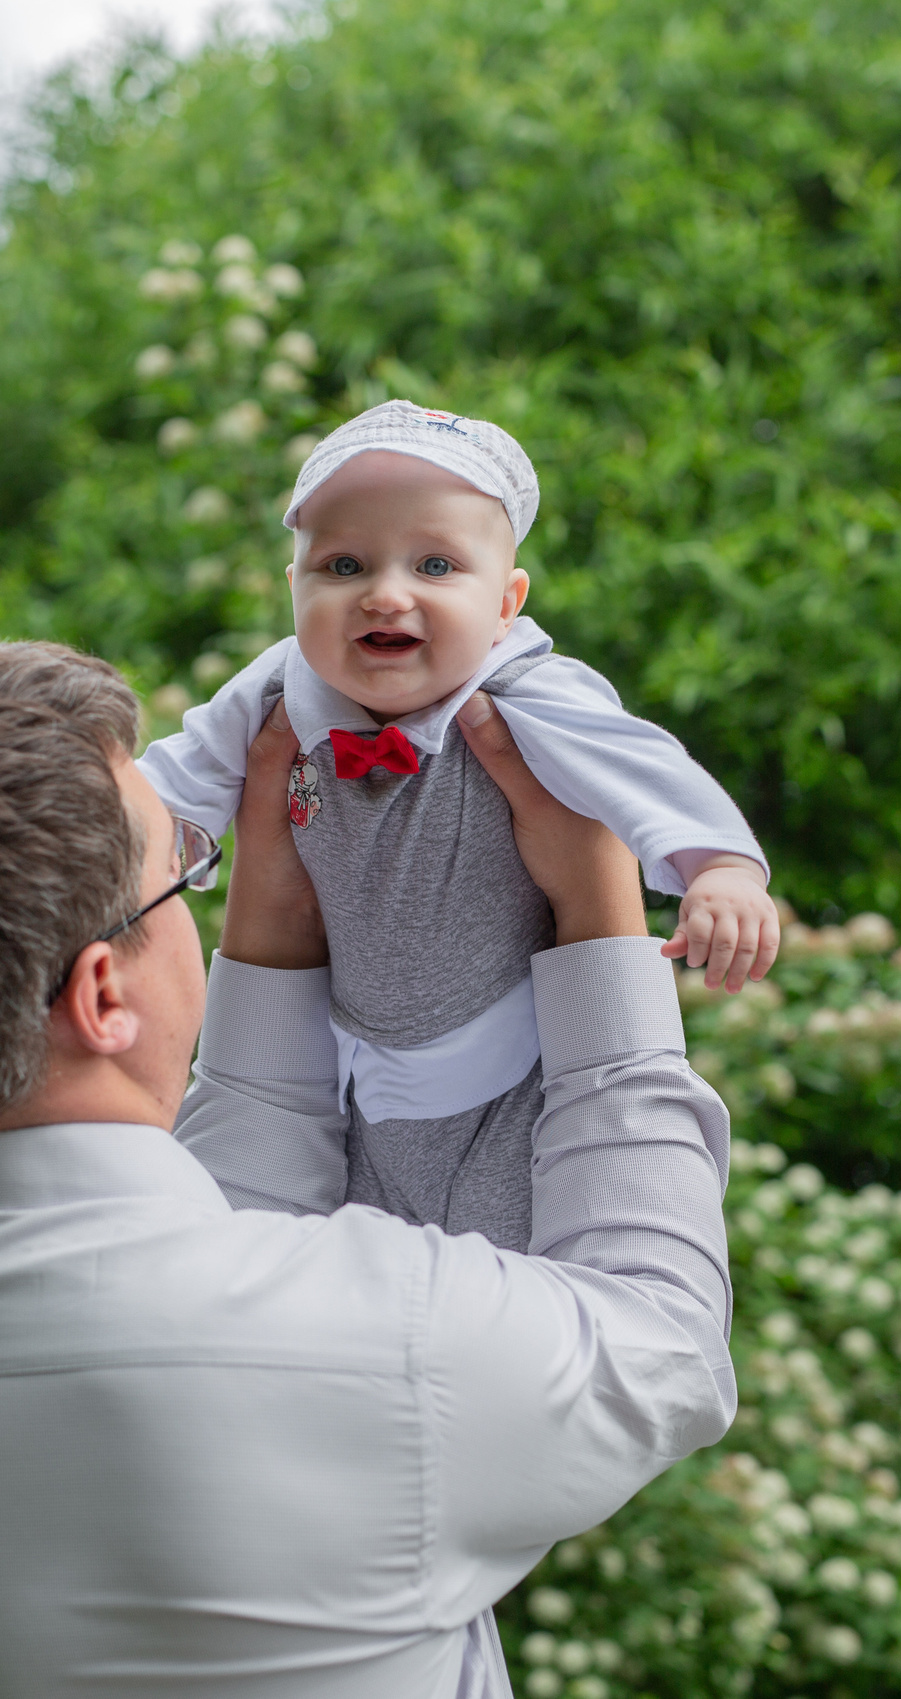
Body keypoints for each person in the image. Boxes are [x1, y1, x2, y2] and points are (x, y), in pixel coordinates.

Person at [0, 640, 737, 1698]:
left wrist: (271, 941)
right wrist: (599, 911)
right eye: (181, 880)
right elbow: (661, 1341)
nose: (197, 910)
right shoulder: (392, 1338)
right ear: (101, 994)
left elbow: (196, 1285)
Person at [140, 399, 778, 1251]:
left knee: (531, 1269)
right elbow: (166, 788)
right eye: (343, 565)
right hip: (354, 1079)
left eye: (435, 564)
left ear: (506, 601)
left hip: (514, 1075)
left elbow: (644, 767)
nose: (385, 594)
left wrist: (720, 867)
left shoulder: (526, 690)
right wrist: (118, 863)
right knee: (339, 1266)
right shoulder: (277, 691)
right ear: (294, 588)